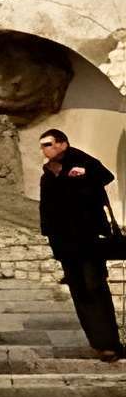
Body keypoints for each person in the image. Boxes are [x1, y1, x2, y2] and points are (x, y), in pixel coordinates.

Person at [36, 128, 126, 362]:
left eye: (48, 144)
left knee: (94, 287)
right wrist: (50, 237)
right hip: (66, 244)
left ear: (62, 144)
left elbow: (106, 176)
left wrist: (83, 174)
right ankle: (98, 343)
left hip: (88, 240)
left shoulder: (81, 160)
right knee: (80, 291)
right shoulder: (47, 174)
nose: (44, 150)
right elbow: (46, 208)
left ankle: (110, 344)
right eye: (42, 145)